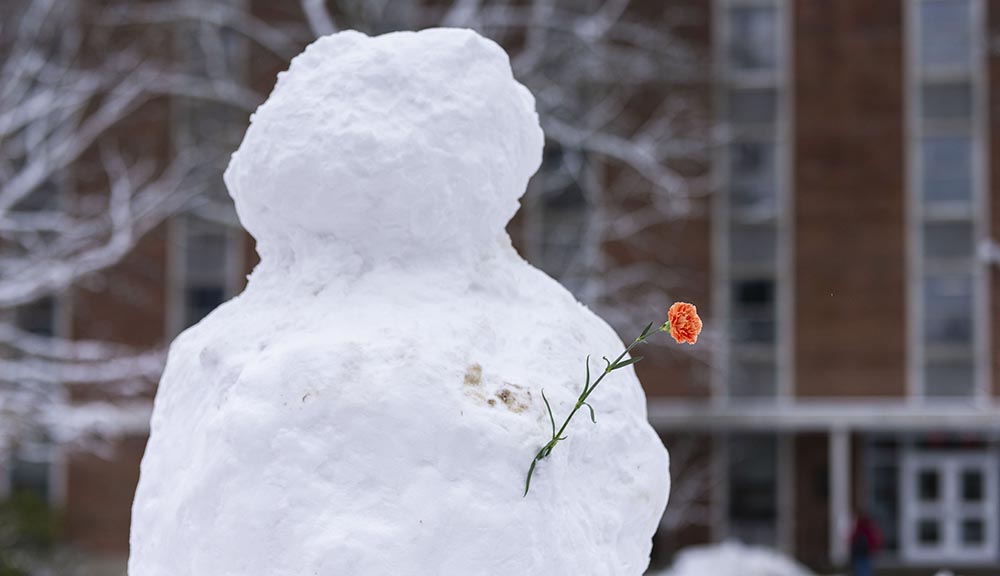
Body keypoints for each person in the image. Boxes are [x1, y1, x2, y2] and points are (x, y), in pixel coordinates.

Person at [849, 511, 883, 576]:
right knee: (865, 571)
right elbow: (874, 541)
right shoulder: (867, 529)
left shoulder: (859, 529)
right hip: (865, 555)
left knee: (861, 570)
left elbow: (852, 541)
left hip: (860, 555)